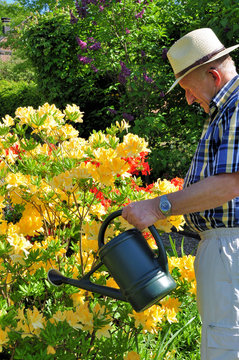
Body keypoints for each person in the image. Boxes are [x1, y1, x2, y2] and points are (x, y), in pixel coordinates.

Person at [122, 28, 239, 360]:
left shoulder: (237, 105)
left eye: (188, 88)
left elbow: (231, 183)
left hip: (231, 248)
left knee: (226, 349)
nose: (188, 99)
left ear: (214, 75)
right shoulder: (225, 109)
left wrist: (158, 207)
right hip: (225, 247)